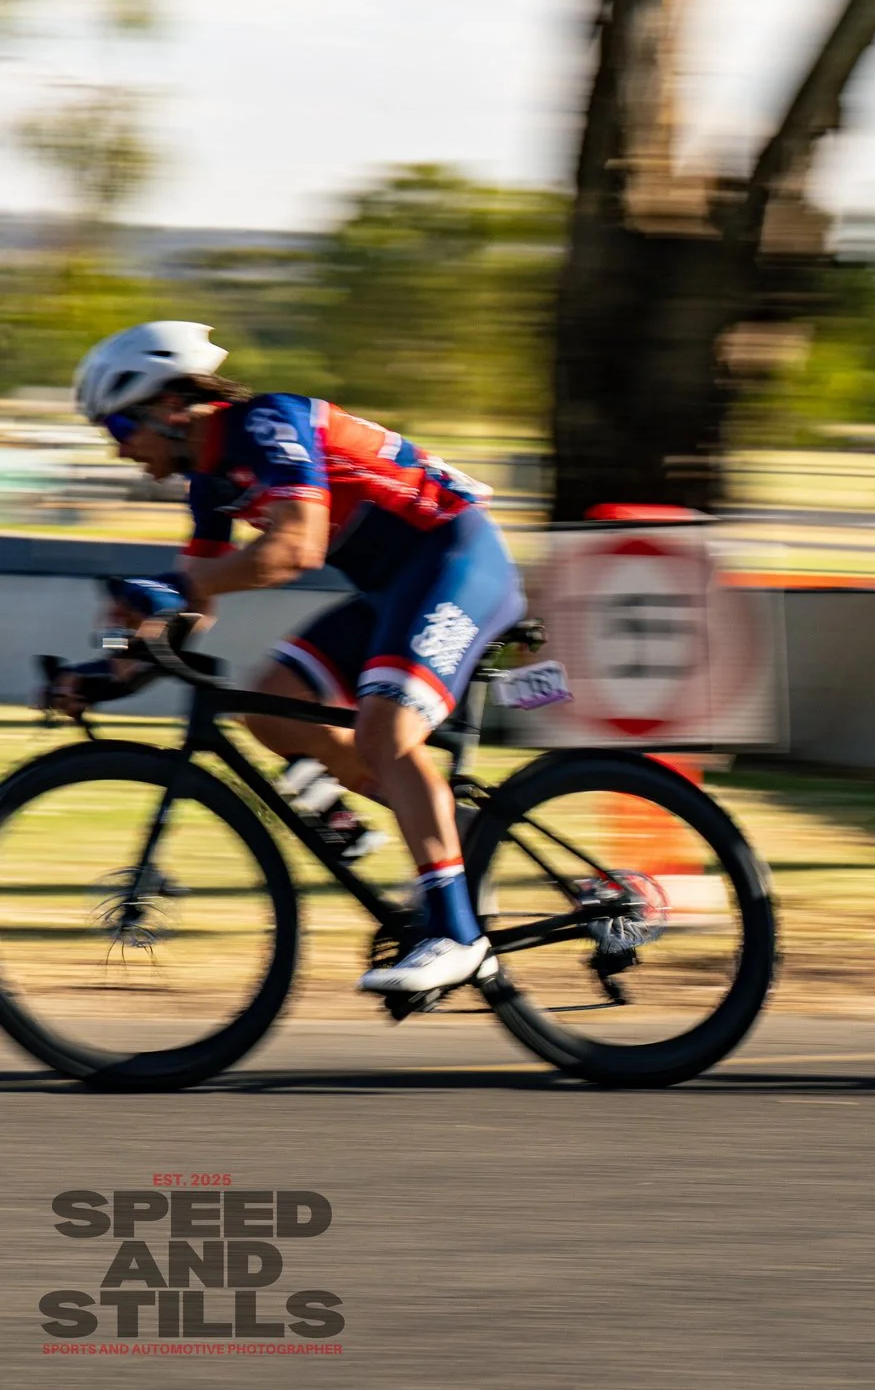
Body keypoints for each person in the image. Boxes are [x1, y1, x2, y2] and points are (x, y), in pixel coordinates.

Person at [52, 321, 525, 996]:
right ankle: (460, 834)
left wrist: (176, 589)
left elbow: (297, 547)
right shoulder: (209, 483)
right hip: (392, 590)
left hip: (457, 559)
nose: (120, 450)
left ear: (167, 407)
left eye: (121, 431)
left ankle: (457, 935)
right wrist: (100, 669)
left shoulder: (272, 423)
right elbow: (186, 615)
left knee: (385, 730)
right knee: (272, 704)